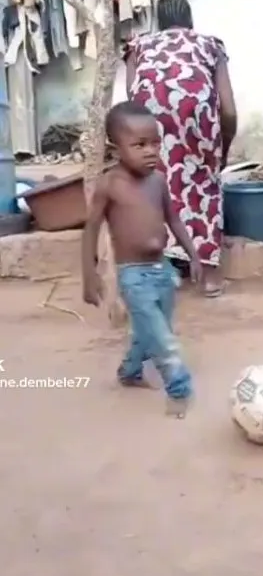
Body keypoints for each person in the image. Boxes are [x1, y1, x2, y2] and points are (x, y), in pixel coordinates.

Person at [81, 100, 203, 417]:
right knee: (163, 339)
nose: (150, 151)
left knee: (147, 331)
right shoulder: (109, 185)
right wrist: (89, 274)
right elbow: (91, 228)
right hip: (132, 275)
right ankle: (179, 389)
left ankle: (130, 372)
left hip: (161, 270)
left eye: (154, 143)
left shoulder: (158, 182)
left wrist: (194, 255)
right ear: (115, 147)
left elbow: (174, 220)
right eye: (139, 144)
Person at [125, 0, 237, 297]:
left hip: (150, 120)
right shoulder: (210, 44)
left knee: (157, 184)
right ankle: (210, 274)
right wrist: (222, 149)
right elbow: (227, 109)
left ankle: (162, 264)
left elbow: (132, 98)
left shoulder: (139, 46)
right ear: (189, 17)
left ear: (159, 19)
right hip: (198, 118)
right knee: (202, 184)